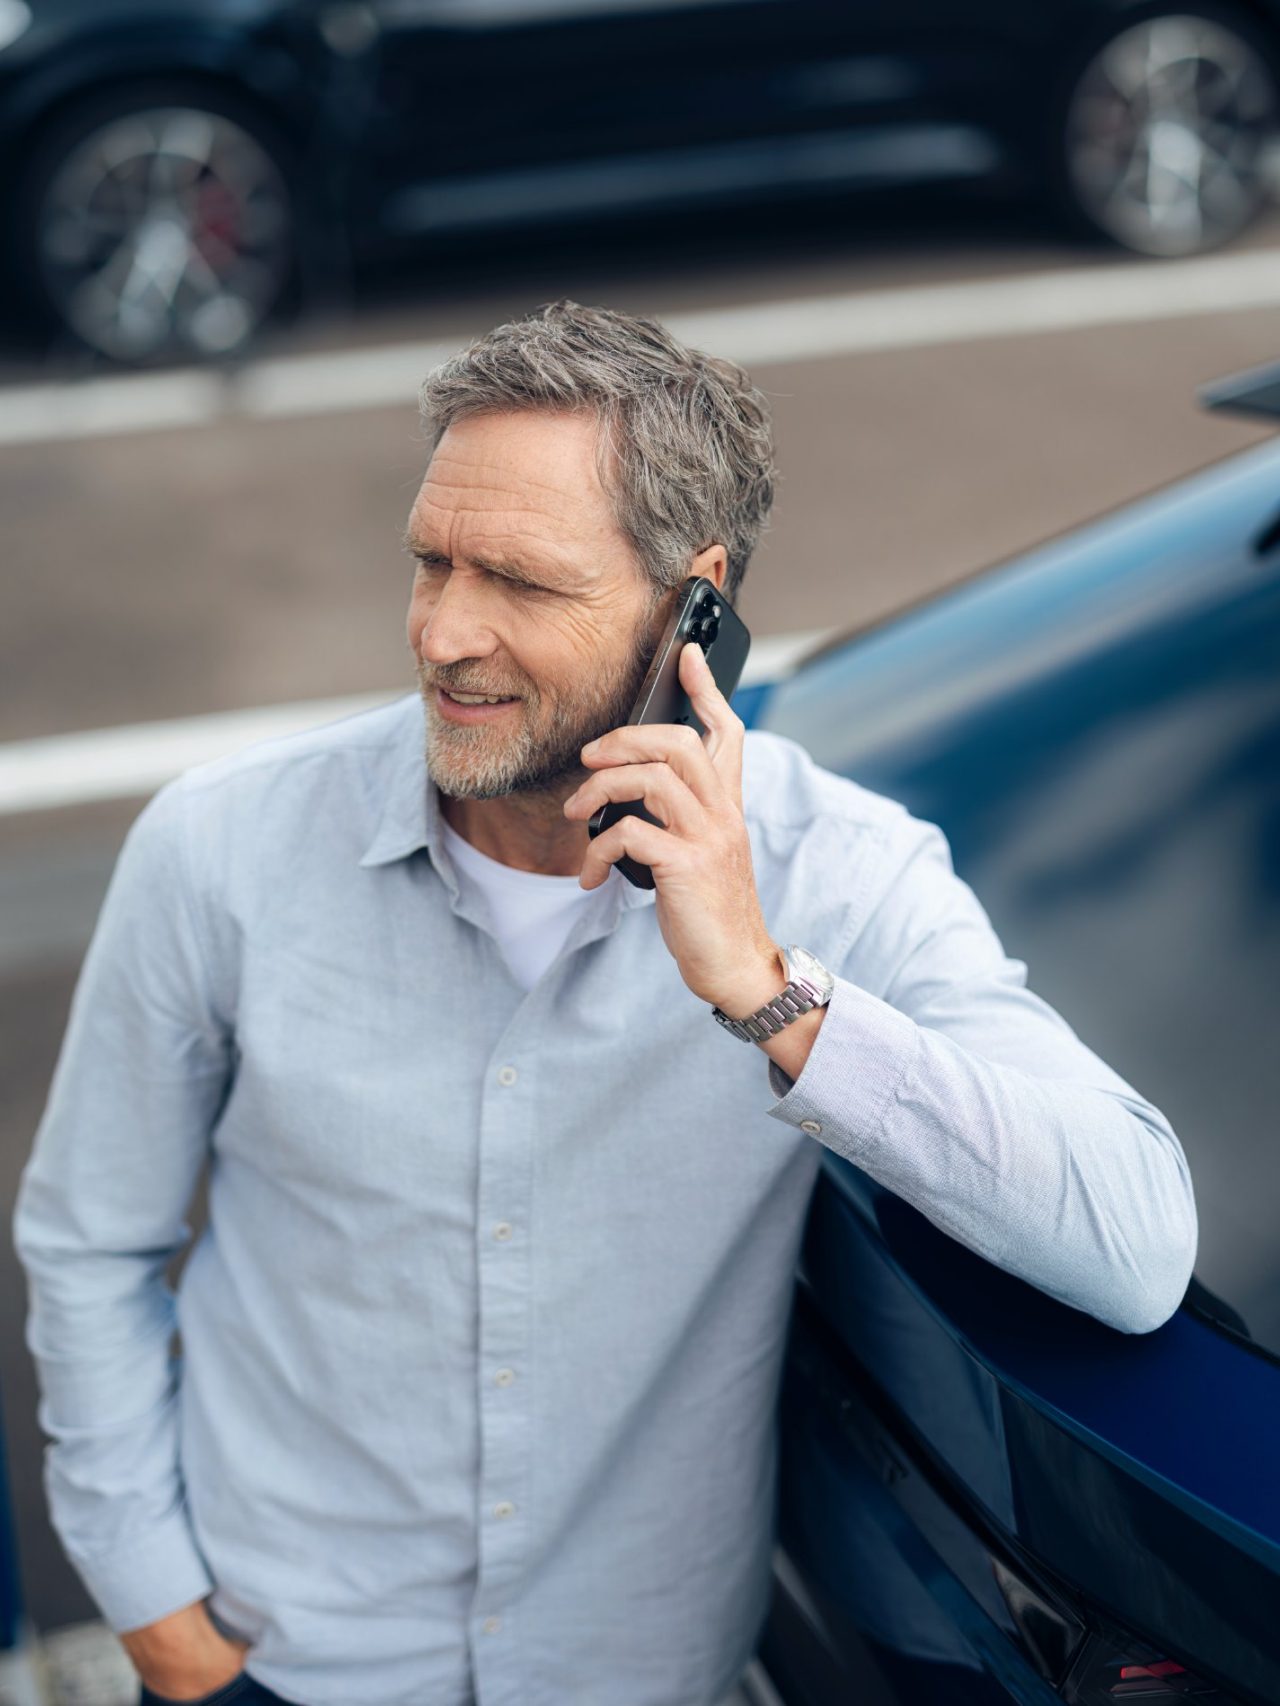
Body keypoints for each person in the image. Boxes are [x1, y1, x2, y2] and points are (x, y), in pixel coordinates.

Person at [11, 301, 1198, 1706]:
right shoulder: (218, 847)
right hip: (278, 1660)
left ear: (694, 602)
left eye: (517, 578)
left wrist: (766, 990)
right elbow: (90, 1242)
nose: (445, 630)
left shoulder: (844, 874)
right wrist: (155, 1605)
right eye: (431, 559)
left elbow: (1133, 1240)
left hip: (639, 1671)